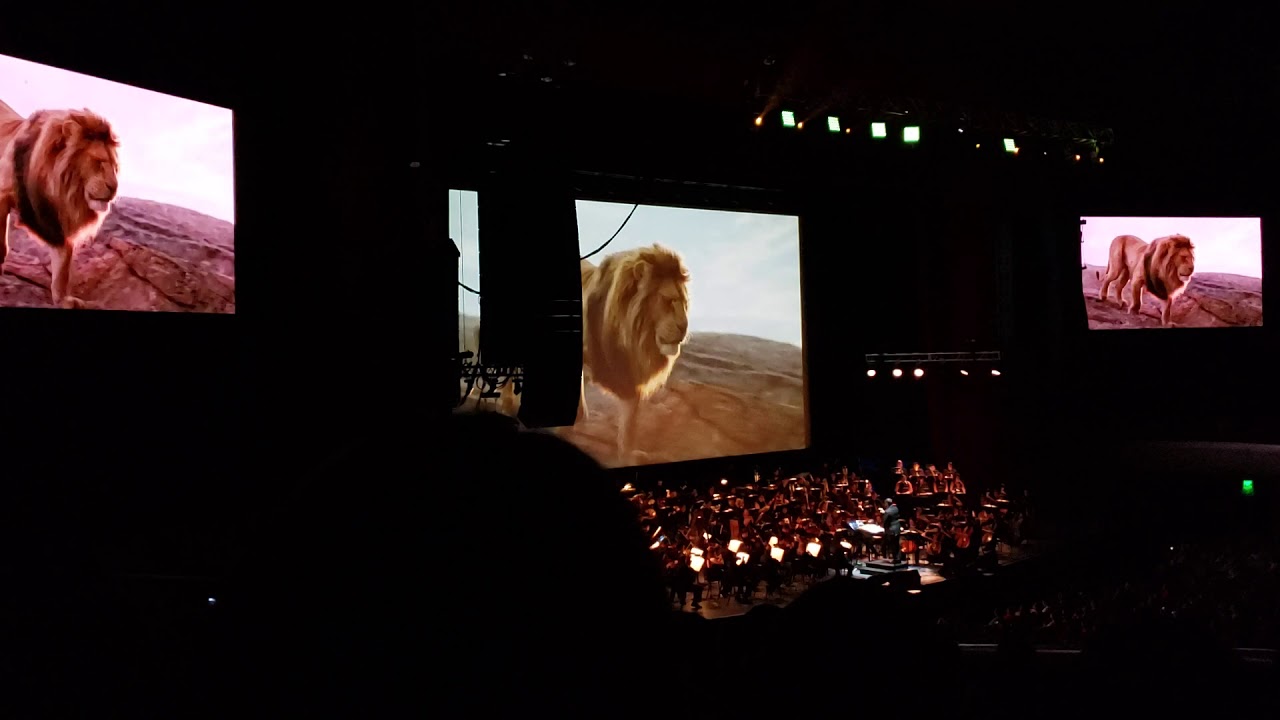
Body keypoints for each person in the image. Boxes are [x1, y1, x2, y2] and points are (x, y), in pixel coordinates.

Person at [883, 497, 903, 563]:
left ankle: (895, 559)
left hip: (891, 529)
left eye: (885, 503)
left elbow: (885, 521)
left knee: (893, 544)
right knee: (897, 544)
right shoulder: (895, 508)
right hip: (897, 528)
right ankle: (898, 558)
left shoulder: (887, 511)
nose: (884, 504)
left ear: (887, 503)